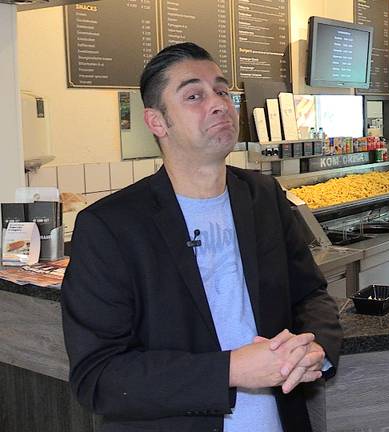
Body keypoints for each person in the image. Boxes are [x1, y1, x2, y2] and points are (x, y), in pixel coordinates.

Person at [61, 42, 342, 432]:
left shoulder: (263, 196)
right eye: (194, 95)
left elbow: (309, 294)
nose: (219, 104)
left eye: (223, 91)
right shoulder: (110, 228)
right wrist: (229, 369)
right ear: (156, 122)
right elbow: (99, 376)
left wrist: (318, 348)